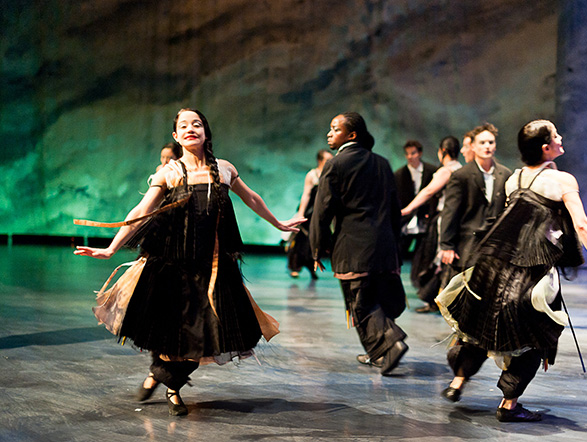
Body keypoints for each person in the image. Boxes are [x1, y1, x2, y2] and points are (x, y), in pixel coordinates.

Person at [74, 108, 303, 416]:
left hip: (213, 270)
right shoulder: (169, 173)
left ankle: (161, 376)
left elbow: (251, 198)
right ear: (176, 135)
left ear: (206, 133)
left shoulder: (224, 169)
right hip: (174, 269)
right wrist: (111, 249)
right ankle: (172, 388)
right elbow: (140, 211)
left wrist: (279, 224)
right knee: (175, 336)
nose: (190, 128)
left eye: (196, 124)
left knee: (206, 336)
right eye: (183, 125)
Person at [436, 119, 587, 422]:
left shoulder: (514, 179)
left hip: (492, 265)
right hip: (527, 272)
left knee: (480, 327)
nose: (561, 137)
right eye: (556, 135)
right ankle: (509, 405)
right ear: (546, 147)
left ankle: (458, 381)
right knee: (533, 335)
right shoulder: (562, 181)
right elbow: (582, 225)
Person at [309, 112, 408, 375]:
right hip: (384, 245)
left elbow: (322, 210)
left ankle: (391, 342)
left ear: (351, 135)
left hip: (353, 246)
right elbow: (395, 210)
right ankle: (378, 353)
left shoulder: (335, 164)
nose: (329, 133)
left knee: (360, 303)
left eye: (335, 129)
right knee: (375, 299)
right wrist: (396, 245)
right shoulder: (383, 163)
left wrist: (317, 247)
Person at [439, 123, 512, 278]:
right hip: (468, 246)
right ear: (472, 146)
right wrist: (447, 245)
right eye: (482, 142)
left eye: (491, 142)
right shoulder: (461, 175)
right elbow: (450, 211)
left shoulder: (505, 174)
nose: (487, 146)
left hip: (496, 248)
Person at [401, 136, 463, 312]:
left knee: (434, 259)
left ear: (442, 151)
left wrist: (408, 209)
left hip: (443, 220)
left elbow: (428, 191)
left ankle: (434, 300)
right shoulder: (462, 169)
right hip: (456, 221)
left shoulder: (447, 171)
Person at [286, 149, 334, 278]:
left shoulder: (331, 174)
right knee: (302, 238)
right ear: (320, 160)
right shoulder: (312, 175)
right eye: (327, 160)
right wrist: (301, 213)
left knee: (318, 240)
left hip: (323, 211)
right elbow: (306, 194)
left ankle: (312, 266)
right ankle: (296, 267)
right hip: (310, 211)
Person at [394, 140, 439, 269]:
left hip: (426, 218)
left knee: (424, 255)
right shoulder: (399, 175)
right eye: (407, 154)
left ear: (420, 153)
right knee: (399, 253)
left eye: (413, 153)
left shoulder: (432, 171)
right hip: (405, 219)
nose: (410, 157)